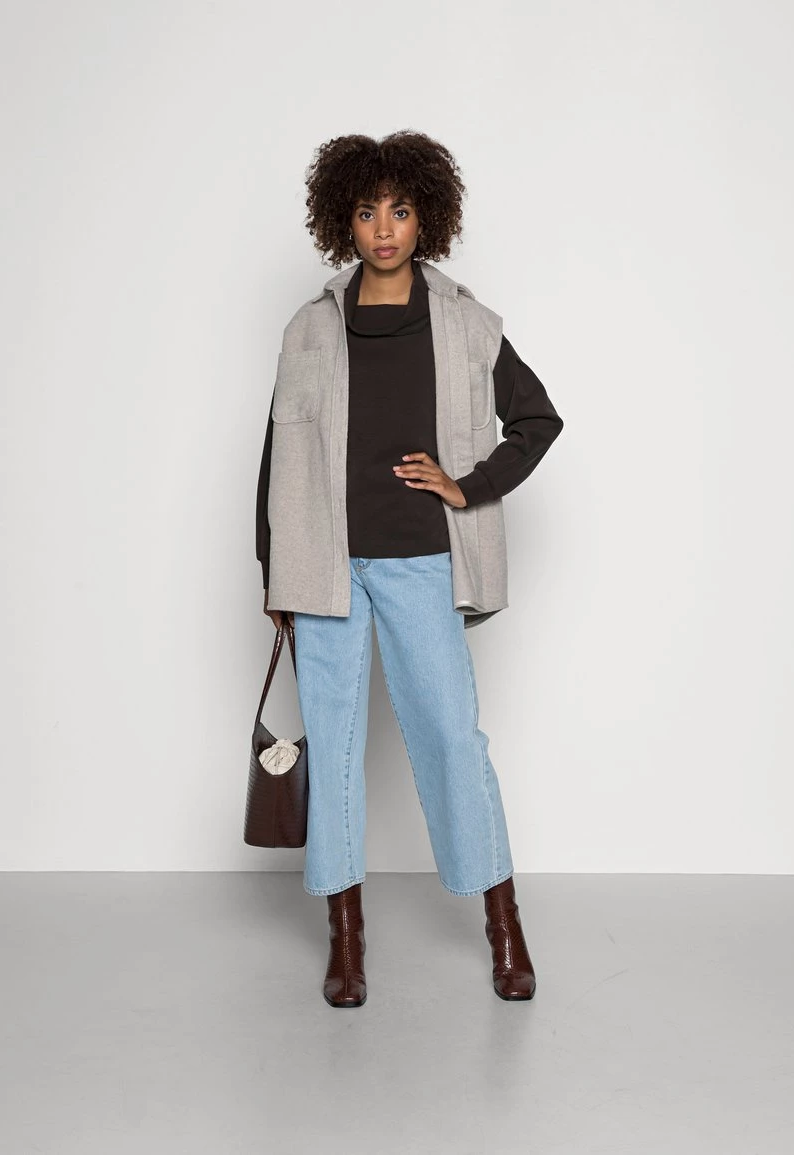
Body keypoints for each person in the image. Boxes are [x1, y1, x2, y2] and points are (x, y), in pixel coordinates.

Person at [255, 130, 564, 1008]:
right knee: (335, 749)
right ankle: (346, 941)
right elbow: (276, 454)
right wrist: (273, 570)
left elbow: (537, 419)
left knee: (452, 739)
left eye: (399, 210)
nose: (384, 229)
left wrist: (469, 486)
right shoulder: (310, 326)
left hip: (422, 559)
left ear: (427, 216)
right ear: (342, 222)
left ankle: (504, 928)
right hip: (323, 567)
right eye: (366, 212)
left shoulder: (464, 322)